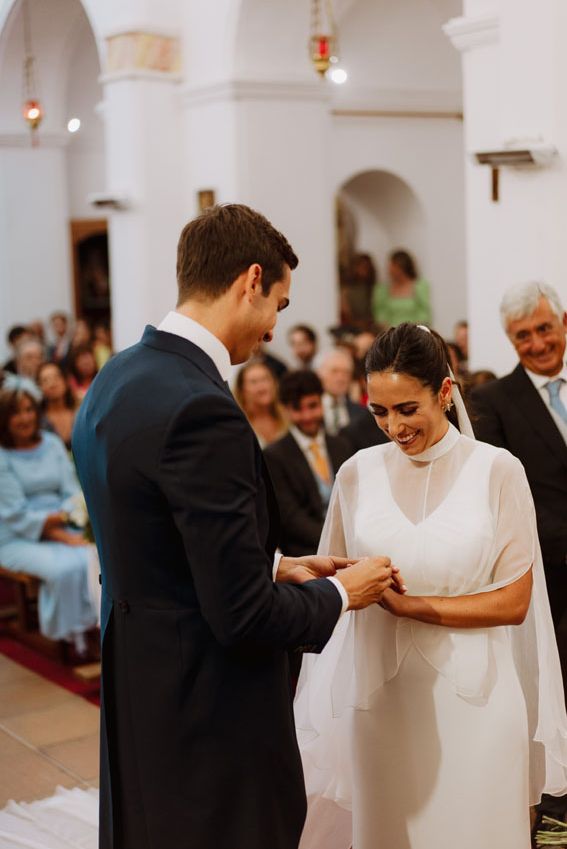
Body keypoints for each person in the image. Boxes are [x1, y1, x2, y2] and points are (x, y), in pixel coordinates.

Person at [72, 203, 399, 849]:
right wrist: (341, 591)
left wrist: (273, 563)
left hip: (139, 680)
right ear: (250, 280)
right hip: (205, 706)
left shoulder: (118, 376)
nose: (275, 328)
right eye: (278, 302)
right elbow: (243, 616)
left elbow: (151, 533)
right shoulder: (200, 407)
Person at [295, 322, 567, 849]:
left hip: (479, 703)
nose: (394, 427)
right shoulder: (356, 473)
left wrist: (411, 605)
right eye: (379, 411)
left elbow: (515, 601)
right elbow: (340, 582)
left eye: (407, 408)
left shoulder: (498, 471)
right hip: (381, 705)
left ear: (445, 392)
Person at [471, 281, 567, 837]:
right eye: (522, 335)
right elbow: (507, 499)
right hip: (551, 580)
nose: (536, 343)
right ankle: (556, 815)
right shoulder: (496, 404)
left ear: (562, 324)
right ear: (510, 341)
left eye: (543, 328)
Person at [0, 376, 98, 649]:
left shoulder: (52, 444)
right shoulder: (2, 456)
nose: (24, 418)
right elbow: (15, 515)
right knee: (64, 568)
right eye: (16, 412)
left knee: (93, 557)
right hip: (17, 536)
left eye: (29, 409)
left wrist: (71, 517)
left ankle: (94, 628)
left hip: (63, 523)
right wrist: (65, 532)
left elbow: (71, 492)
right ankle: (68, 635)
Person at [264, 370, 351, 557]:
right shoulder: (274, 456)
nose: (307, 416)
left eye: (312, 406)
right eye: (298, 409)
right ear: (286, 410)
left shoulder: (341, 445)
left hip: (349, 545)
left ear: (322, 401)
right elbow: (290, 517)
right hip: (304, 554)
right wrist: (334, 540)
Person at [234, 358, 288, 447]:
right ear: (242, 390)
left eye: (265, 379)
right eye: (254, 382)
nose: (262, 387)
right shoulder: (238, 424)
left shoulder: (287, 417)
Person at [372, 249, 431, 327]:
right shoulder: (382, 289)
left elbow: (424, 314)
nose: (389, 269)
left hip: (414, 333)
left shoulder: (420, 286)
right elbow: (380, 314)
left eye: (393, 266)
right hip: (390, 333)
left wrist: (411, 332)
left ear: (402, 267)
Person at [315, 348, 367, 435]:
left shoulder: (362, 412)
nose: (341, 378)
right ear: (319, 374)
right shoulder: (308, 411)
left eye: (346, 373)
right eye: (334, 371)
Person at [37, 361, 77, 450]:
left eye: (56, 377)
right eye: (45, 380)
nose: (52, 384)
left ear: (65, 381)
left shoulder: (80, 412)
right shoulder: (38, 420)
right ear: (40, 387)